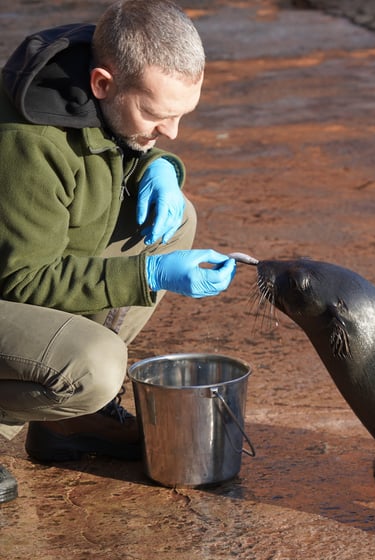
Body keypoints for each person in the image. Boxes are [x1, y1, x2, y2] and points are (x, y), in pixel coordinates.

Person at [0, 0, 238, 503]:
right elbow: (21, 281)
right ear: (103, 83)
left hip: (26, 273)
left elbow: (107, 158)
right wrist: (148, 274)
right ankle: (50, 407)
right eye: (157, 115)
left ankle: (69, 422)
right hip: (10, 280)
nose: (171, 132)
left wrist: (161, 167)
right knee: (96, 366)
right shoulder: (27, 143)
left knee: (178, 220)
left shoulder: (99, 95)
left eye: (181, 115)